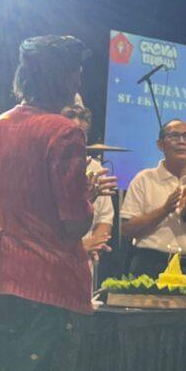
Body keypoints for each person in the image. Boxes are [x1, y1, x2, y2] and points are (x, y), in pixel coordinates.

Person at [0, 35, 114, 371]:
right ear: (63, 76)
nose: (79, 81)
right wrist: (88, 196)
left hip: (4, 277)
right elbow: (73, 223)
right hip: (51, 281)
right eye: (76, 72)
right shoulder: (64, 132)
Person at [120, 119, 186, 280]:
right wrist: (164, 210)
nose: (181, 141)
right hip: (150, 264)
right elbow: (127, 228)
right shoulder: (144, 179)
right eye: (174, 136)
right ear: (160, 144)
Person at [61, 104, 115, 262]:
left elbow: (105, 217)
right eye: (70, 134)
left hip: (85, 262)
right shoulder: (46, 164)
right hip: (53, 260)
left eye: (81, 135)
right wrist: (78, 248)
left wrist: (96, 244)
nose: (76, 141)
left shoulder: (96, 169)